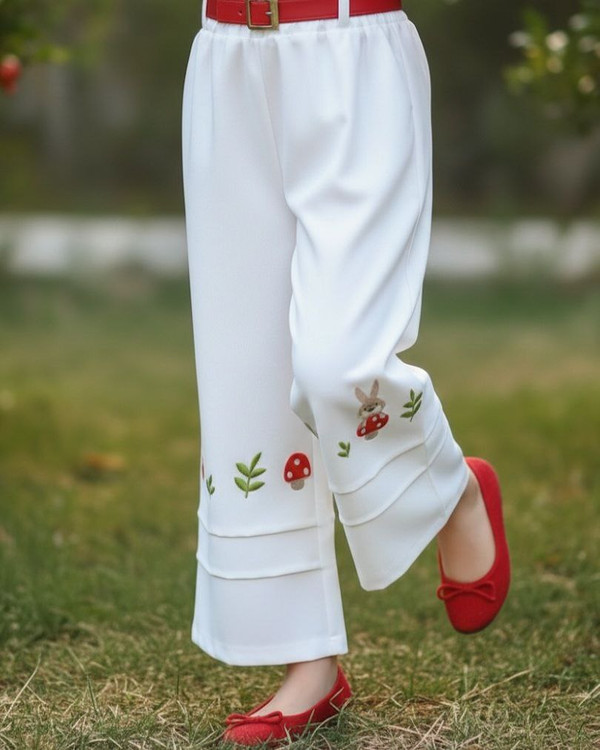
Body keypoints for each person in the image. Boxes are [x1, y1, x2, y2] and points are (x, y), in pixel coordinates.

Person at [180, 0, 511, 744]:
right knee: (244, 378)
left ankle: (451, 487)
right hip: (226, 58)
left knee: (341, 365)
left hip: (350, 49)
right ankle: (309, 663)